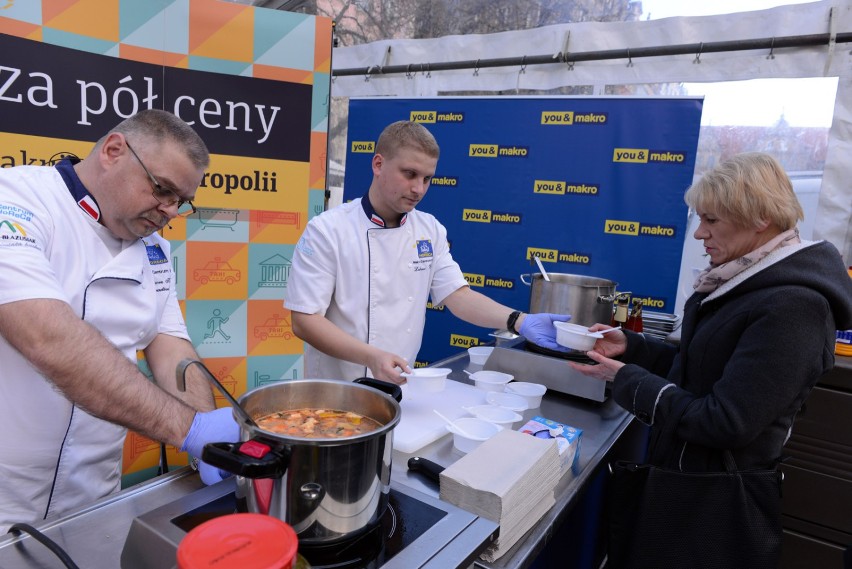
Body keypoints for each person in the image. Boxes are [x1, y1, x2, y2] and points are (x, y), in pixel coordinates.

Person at [568, 152, 852, 566]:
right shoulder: (741, 281)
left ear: (760, 218)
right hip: (682, 483)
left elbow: (725, 421)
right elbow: (698, 371)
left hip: (713, 507)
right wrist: (633, 348)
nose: (699, 233)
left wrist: (629, 380)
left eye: (712, 220)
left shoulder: (793, 306)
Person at [0, 109, 239, 532]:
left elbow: (173, 350)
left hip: (95, 498)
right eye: (162, 189)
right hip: (7, 496)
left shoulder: (156, 251)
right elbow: (48, 339)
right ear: (113, 151)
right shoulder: (17, 201)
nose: (168, 211)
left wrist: (210, 441)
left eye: (180, 201)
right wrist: (190, 428)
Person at [284, 120, 569, 382]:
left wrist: (519, 320)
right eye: (409, 174)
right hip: (334, 391)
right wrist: (371, 356)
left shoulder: (429, 230)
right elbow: (305, 321)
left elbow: (458, 296)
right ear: (378, 164)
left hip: (396, 388)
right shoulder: (327, 231)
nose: (418, 189)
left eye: (427, 178)